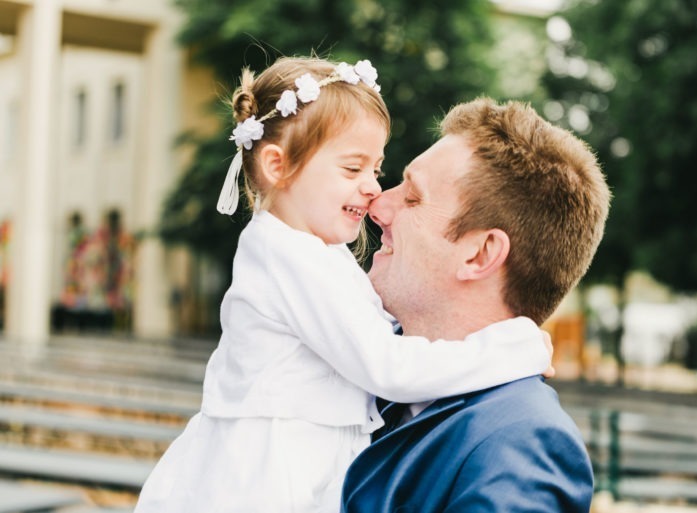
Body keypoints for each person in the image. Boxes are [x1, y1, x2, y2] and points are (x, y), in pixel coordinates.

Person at [134, 57, 552, 513]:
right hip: (273, 477)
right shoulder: (288, 256)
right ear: (278, 165)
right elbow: (386, 365)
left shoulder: (312, 250)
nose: (374, 187)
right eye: (353, 169)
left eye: (376, 168)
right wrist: (509, 349)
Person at [342, 98, 611, 512]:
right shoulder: (355, 365)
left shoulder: (521, 446)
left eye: (412, 198)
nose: (377, 206)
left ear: (480, 255)